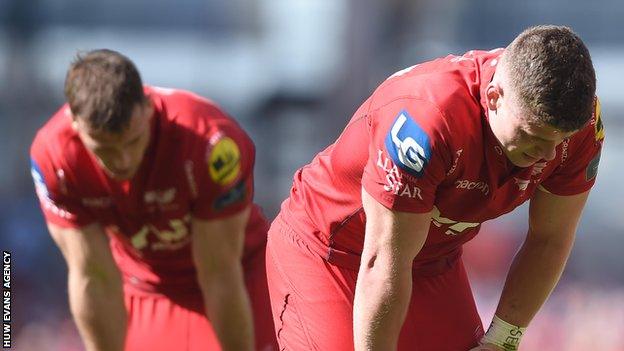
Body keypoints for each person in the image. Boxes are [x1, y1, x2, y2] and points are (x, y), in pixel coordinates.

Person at [265, 25, 604, 350]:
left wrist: (502, 340)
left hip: (430, 260)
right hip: (332, 254)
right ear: (494, 97)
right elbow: (383, 263)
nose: (547, 154)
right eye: (533, 136)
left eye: (561, 139)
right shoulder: (426, 123)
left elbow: (550, 238)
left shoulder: (582, 126)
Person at [30, 49, 277, 351]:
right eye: (104, 149)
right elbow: (93, 275)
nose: (122, 160)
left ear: (147, 107)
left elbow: (219, 272)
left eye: (133, 141)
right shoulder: (54, 159)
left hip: (240, 275)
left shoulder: (210, 143)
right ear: (74, 123)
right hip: (147, 287)